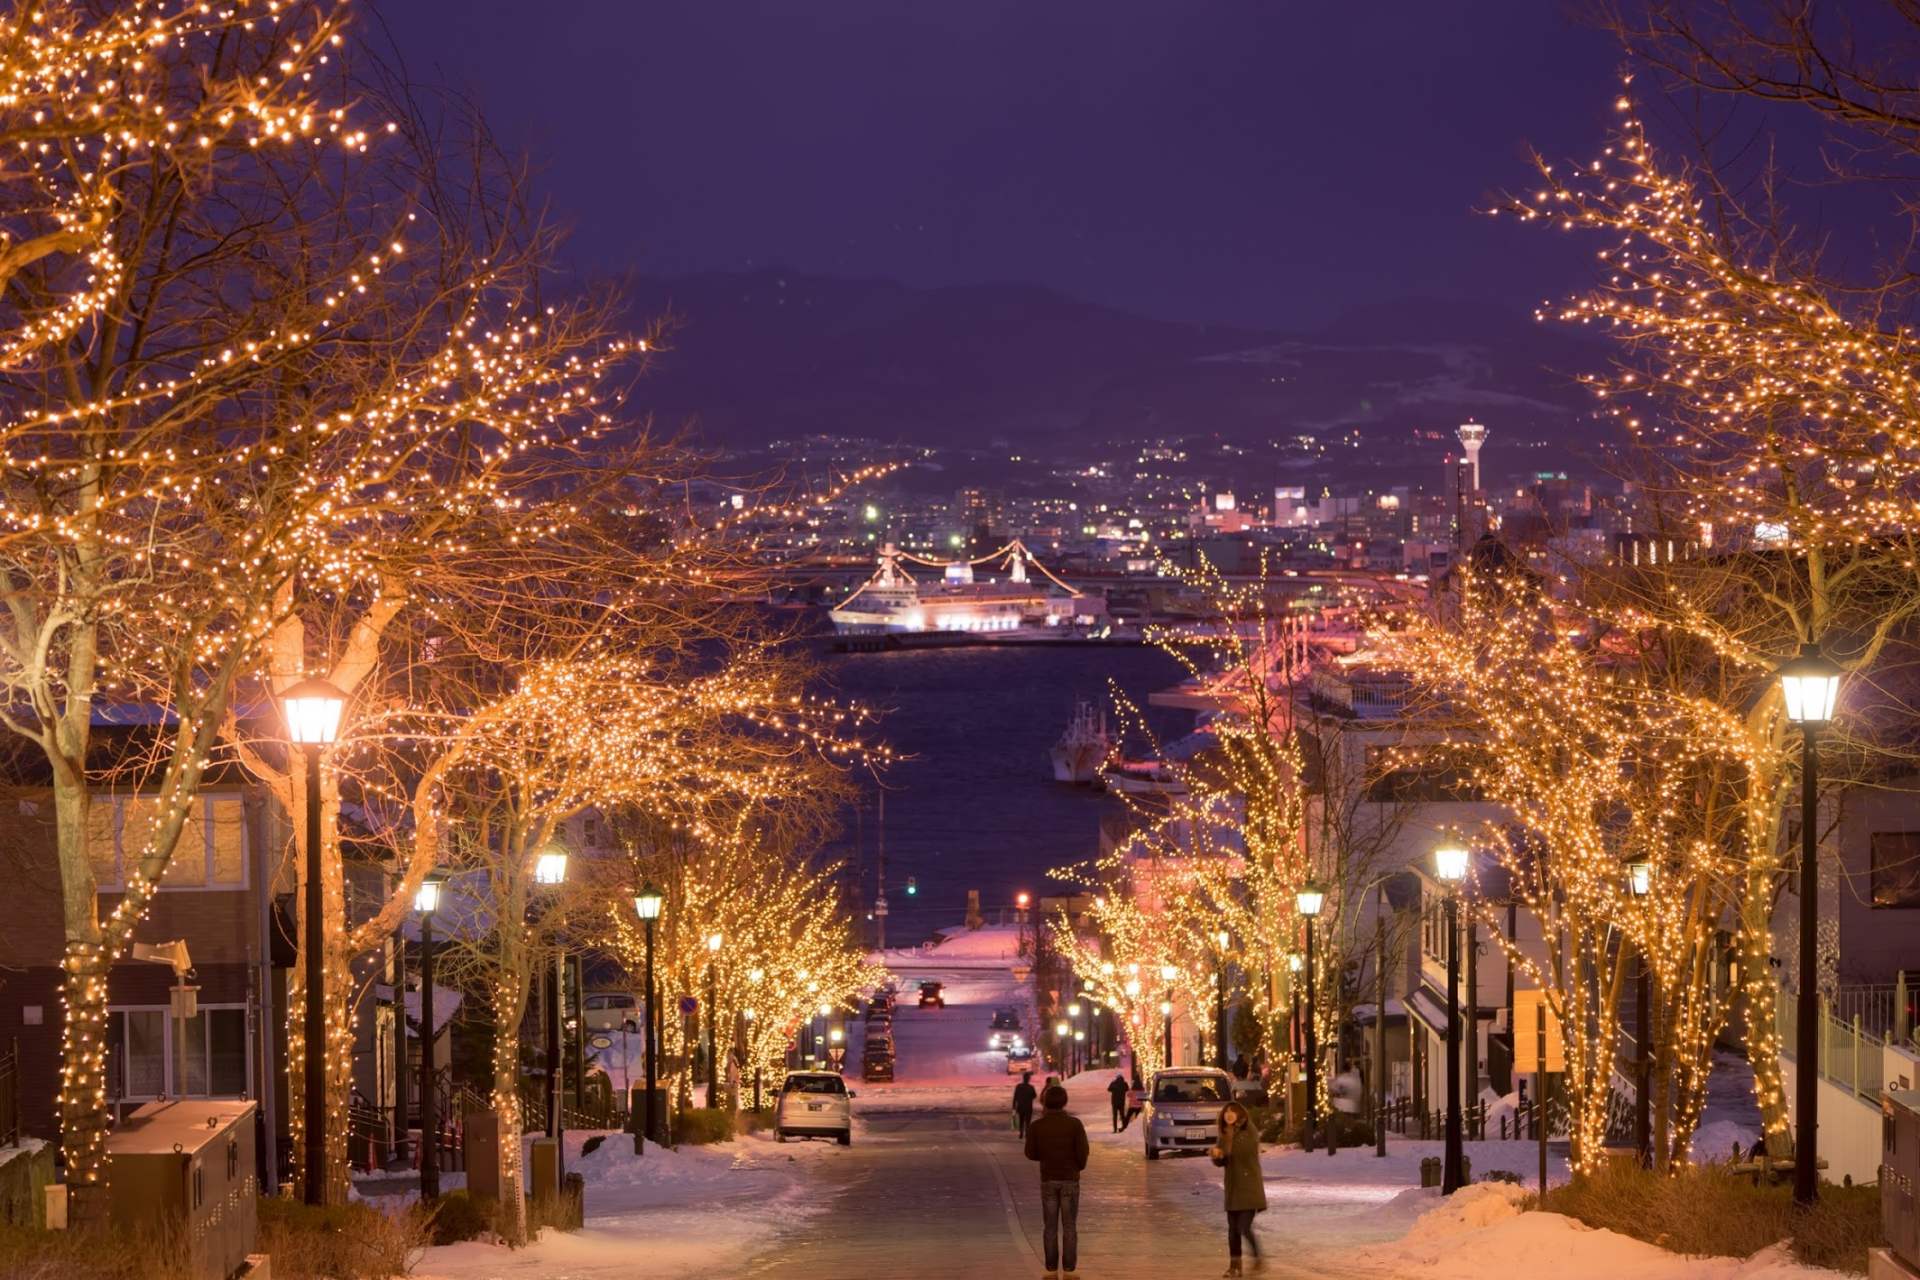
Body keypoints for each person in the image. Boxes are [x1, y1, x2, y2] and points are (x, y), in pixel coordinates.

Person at [1023, 1084, 1089, 1280]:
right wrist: (1077, 1166)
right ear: (1064, 1102)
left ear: (1045, 1102)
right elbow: (1082, 1152)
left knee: (1050, 1226)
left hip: (1049, 1179)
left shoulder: (1037, 1126)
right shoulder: (1074, 1124)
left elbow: (1030, 1153)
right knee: (1070, 1226)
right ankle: (1069, 1268)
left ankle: (1051, 1267)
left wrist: (1046, 1156)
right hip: (1070, 1179)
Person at [1208, 1101, 1266, 1276]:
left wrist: (1225, 1150)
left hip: (1249, 1188)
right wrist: (1217, 1156)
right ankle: (1235, 1266)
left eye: (1233, 1111)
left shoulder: (1249, 1131)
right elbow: (1223, 1162)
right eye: (1226, 1112)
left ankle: (1257, 1258)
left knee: (1243, 1227)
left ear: (1240, 1114)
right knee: (1232, 1231)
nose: (1229, 1114)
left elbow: (1246, 1152)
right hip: (1233, 1188)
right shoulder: (1224, 1134)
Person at [1012, 1071, 1037, 1138]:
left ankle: (1021, 1132)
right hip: (1028, 1107)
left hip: (1020, 1107)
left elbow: (1015, 1097)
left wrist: (1014, 1106)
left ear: (1023, 1078)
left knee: (1021, 1120)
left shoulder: (1018, 1086)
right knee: (1027, 1121)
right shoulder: (1031, 1087)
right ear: (1029, 1079)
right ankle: (1027, 1133)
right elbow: (1034, 1096)